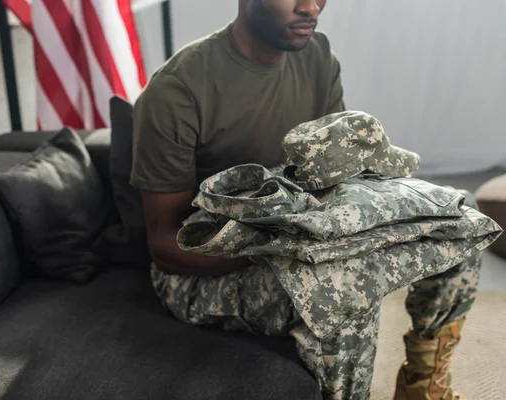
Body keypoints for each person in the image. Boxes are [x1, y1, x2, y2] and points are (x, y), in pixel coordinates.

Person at [129, 1, 476, 399]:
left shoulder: (318, 56)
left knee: (461, 219)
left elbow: (341, 181)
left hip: (308, 239)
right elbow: (166, 249)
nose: (310, 7)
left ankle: (422, 385)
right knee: (344, 290)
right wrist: (291, 250)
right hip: (202, 273)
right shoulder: (178, 89)